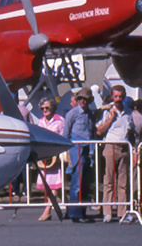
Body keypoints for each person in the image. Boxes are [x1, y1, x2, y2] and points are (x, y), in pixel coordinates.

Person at [95, 85, 133, 223]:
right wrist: (111, 118)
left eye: (120, 96)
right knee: (109, 181)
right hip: (110, 147)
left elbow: (131, 131)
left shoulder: (128, 112)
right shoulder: (106, 112)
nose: (118, 99)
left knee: (123, 183)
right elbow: (99, 131)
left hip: (124, 147)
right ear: (112, 97)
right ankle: (107, 212)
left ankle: (122, 212)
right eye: (116, 96)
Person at [63, 87, 94, 222]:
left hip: (87, 152)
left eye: (85, 99)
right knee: (77, 183)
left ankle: (79, 211)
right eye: (80, 98)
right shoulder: (72, 114)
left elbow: (92, 132)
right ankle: (75, 214)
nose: (83, 101)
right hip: (77, 151)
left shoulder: (91, 115)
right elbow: (65, 134)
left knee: (85, 184)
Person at [33, 98, 65, 222]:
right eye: (42, 109)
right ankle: (67, 205)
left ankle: (47, 211)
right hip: (45, 157)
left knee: (55, 185)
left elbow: (63, 136)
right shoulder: (41, 121)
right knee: (51, 185)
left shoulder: (60, 121)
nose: (45, 111)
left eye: (47, 108)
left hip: (55, 155)